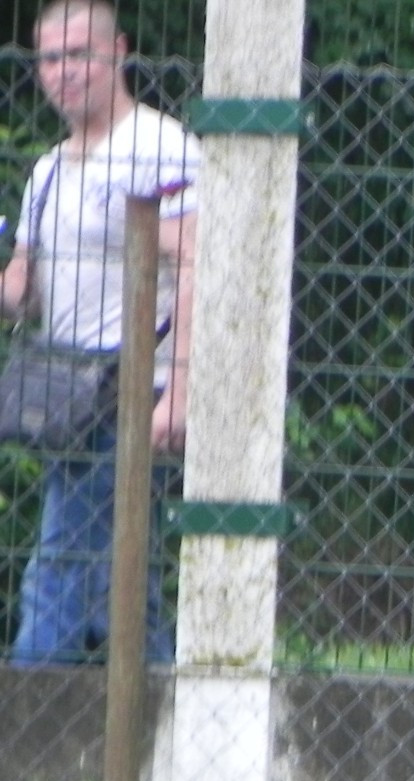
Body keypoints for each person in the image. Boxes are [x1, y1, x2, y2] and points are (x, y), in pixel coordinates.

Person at [1, 0, 199, 665]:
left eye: (79, 54)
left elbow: (199, 262)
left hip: (131, 393)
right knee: (116, 589)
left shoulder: (159, 146)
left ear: (118, 53)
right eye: (51, 59)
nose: (64, 72)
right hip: (68, 404)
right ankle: (174, 735)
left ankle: (22, 735)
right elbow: (20, 293)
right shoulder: (49, 169)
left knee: (58, 569)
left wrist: (182, 391)